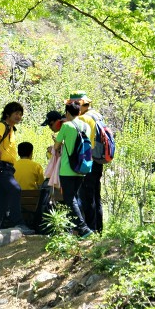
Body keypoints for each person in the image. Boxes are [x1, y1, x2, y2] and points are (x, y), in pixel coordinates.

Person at [45, 105, 93, 237]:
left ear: (67, 113)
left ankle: (83, 228)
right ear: (79, 112)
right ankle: (78, 230)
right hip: (81, 167)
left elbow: (56, 147)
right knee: (75, 198)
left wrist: (55, 144)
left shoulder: (66, 126)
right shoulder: (86, 126)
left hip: (67, 168)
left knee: (69, 199)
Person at [0, 102, 32, 234]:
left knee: (1, 199)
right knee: (15, 189)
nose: (19, 116)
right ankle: (18, 223)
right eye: (16, 113)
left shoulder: (10, 129)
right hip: (0, 167)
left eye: (20, 114)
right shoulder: (1, 125)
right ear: (8, 114)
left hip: (6, 168)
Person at [71, 92, 105, 232]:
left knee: (87, 196)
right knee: (96, 196)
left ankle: (90, 229)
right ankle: (99, 229)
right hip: (98, 159)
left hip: (87, 160)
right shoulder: (97, 115)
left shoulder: (84, 118)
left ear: (79, 104)